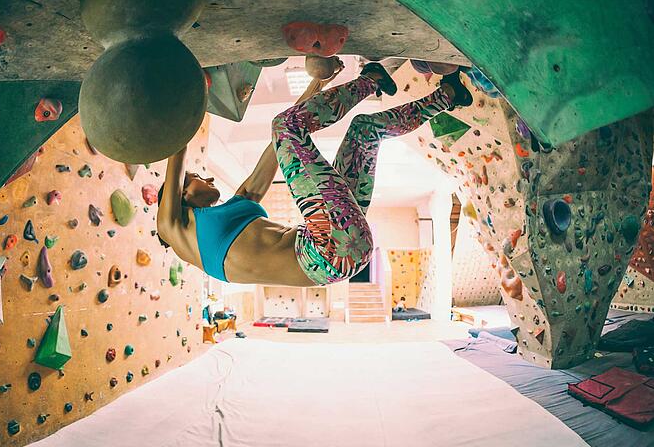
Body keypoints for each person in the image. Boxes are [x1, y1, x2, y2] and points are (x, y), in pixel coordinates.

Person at [157, 60, 472, 287]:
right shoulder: (175, 229)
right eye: (197, 178)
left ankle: (448, 95)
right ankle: (372, 80)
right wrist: (189, 89)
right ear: (180, 195)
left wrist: (317, 83)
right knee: (285, 127)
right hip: (326, 252)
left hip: (335, 240)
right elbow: (177, 151)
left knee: (363, 132)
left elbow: (276, 150)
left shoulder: (237, 206)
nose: (208, 179)